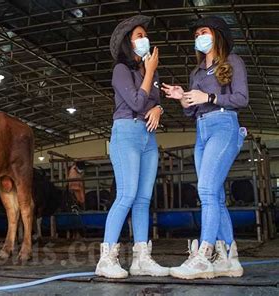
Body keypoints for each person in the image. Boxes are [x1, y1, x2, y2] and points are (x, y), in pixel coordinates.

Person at [162, 16, 248, 279]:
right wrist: (183, 99)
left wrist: (209, 96)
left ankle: (204, 256)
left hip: (224, 124)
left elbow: (241, 98)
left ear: (216, 34)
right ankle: (229, 258)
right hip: (201, 129)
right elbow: (191, 111)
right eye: (197, 33)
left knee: (207, 190)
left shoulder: (232, 61)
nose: (199, 36)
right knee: (215, 195)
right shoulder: (196, 72)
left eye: (204, 31)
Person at [95, 15, 169, 279]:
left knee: (143, 200)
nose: (145, 39)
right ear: (129, 42)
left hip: (148, 137)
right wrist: (149, 73)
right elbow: (138, 103)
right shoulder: (121, 71)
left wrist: (159, 107)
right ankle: (106, 259)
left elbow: (154, 101)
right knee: (126, 195)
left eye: (145, 35)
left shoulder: (151, 71)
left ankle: (141, 258)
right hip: (126, 132)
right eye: (139, 35)